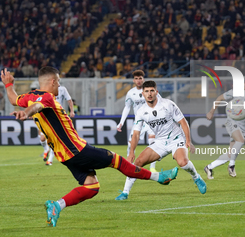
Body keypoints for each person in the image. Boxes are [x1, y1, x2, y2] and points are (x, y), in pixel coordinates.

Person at [1, 67, 178, 227]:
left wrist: (8, 85)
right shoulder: (46, 97)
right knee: (118, 162)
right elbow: (38, 107)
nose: (59, 86)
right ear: (53, 81)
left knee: (92, 187)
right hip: (77, 150)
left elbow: (14, 98)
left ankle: (56, 206)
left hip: (65, 157)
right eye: (59, 82)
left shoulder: (29, 97)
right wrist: (26, 113)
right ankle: (160, 177)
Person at [115, 80, 206, 201]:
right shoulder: (141, 111)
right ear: (143, 94)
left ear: (156, 92)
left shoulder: (168, 104)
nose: (149, 94)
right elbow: (136, 134)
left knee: (183, 162)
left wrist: (188, 140)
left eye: (152, 90)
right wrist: (132, 152)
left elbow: (183, 122)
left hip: (176, 138)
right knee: (137, 163)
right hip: (160, 142)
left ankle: (196, 177)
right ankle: (125, 193)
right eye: (146, 91)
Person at [204, 75, 245, 179]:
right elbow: (220, 98)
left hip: (244, 125)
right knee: (240, 141)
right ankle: (231, 165)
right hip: (232, 121)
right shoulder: (236, 91)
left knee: (231, 153)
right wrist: (211, 111)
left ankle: (209, 167)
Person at [117, 70, 158, 172]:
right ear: (133, 80)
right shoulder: (131, 93)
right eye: (136, 78)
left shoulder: (149, 91)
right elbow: (127, 107)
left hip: (151, 121)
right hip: (139, 122)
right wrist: (121, 122)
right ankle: (129, 167)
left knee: (153, 142)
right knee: (131, 144)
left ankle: (152, 168)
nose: (138, 81)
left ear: (143, 79)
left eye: (140, 78)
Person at [31, 80, 76, 166]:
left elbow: (69, 100)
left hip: (57, 116)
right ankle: (45, 150)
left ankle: (50, 159)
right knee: (42, 138)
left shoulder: (62, 89)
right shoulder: (45, 90)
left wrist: (72, 111)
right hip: (44, 116)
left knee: (54, 137)